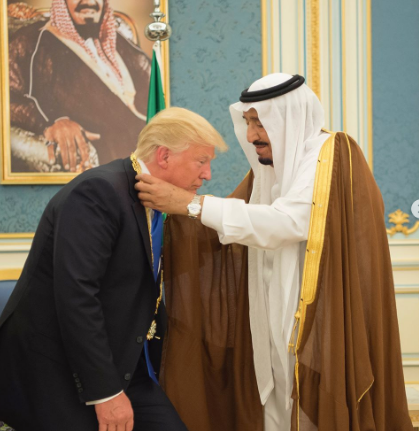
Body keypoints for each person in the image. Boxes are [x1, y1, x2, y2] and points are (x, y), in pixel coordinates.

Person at [135, 74, 413, 431]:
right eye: (248, 122)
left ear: (288, 117)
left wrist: (190, 205)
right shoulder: (265, 173)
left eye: (260, 122)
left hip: (320, 329)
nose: (251, 135)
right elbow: (227, 228)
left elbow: (287, 223)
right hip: (268, 329)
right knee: (276, 412)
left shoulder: (332, 157)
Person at [0, 107, 227, 431]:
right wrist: (105, 393)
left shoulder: (155, 200)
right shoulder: (98, 192)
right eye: (201, 161)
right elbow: (77, 296)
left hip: (119, 365)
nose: (207, 175)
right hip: (54, 371)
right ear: (164, 156)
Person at [9, 0, 151, 173]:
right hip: (108, 163)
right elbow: (6, 98)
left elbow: (158, 93)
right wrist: (52, 123)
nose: (89, 2)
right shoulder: (31, 40)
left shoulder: (121, 42)